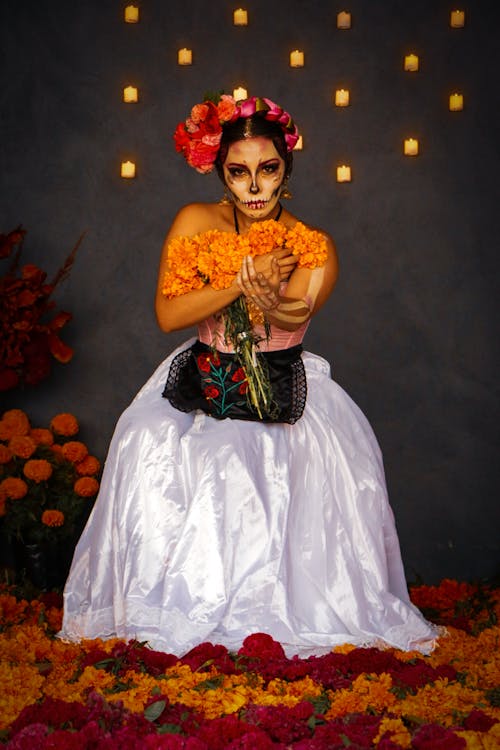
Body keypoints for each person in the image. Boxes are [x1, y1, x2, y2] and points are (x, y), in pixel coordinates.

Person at [60, 94, 441, 657]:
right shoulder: (196, 221)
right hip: (199, 383)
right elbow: (170, 314)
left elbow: (297, 313)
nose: (255, 186)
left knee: (244, 461)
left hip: (285, 390)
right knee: (142, 439)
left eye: (268, 170)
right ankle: (172, 610)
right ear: (222, 173)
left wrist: (272, 299)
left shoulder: (314, 245)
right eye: (240, 172)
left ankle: (266, 619)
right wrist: (242, 282)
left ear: (286, 169)